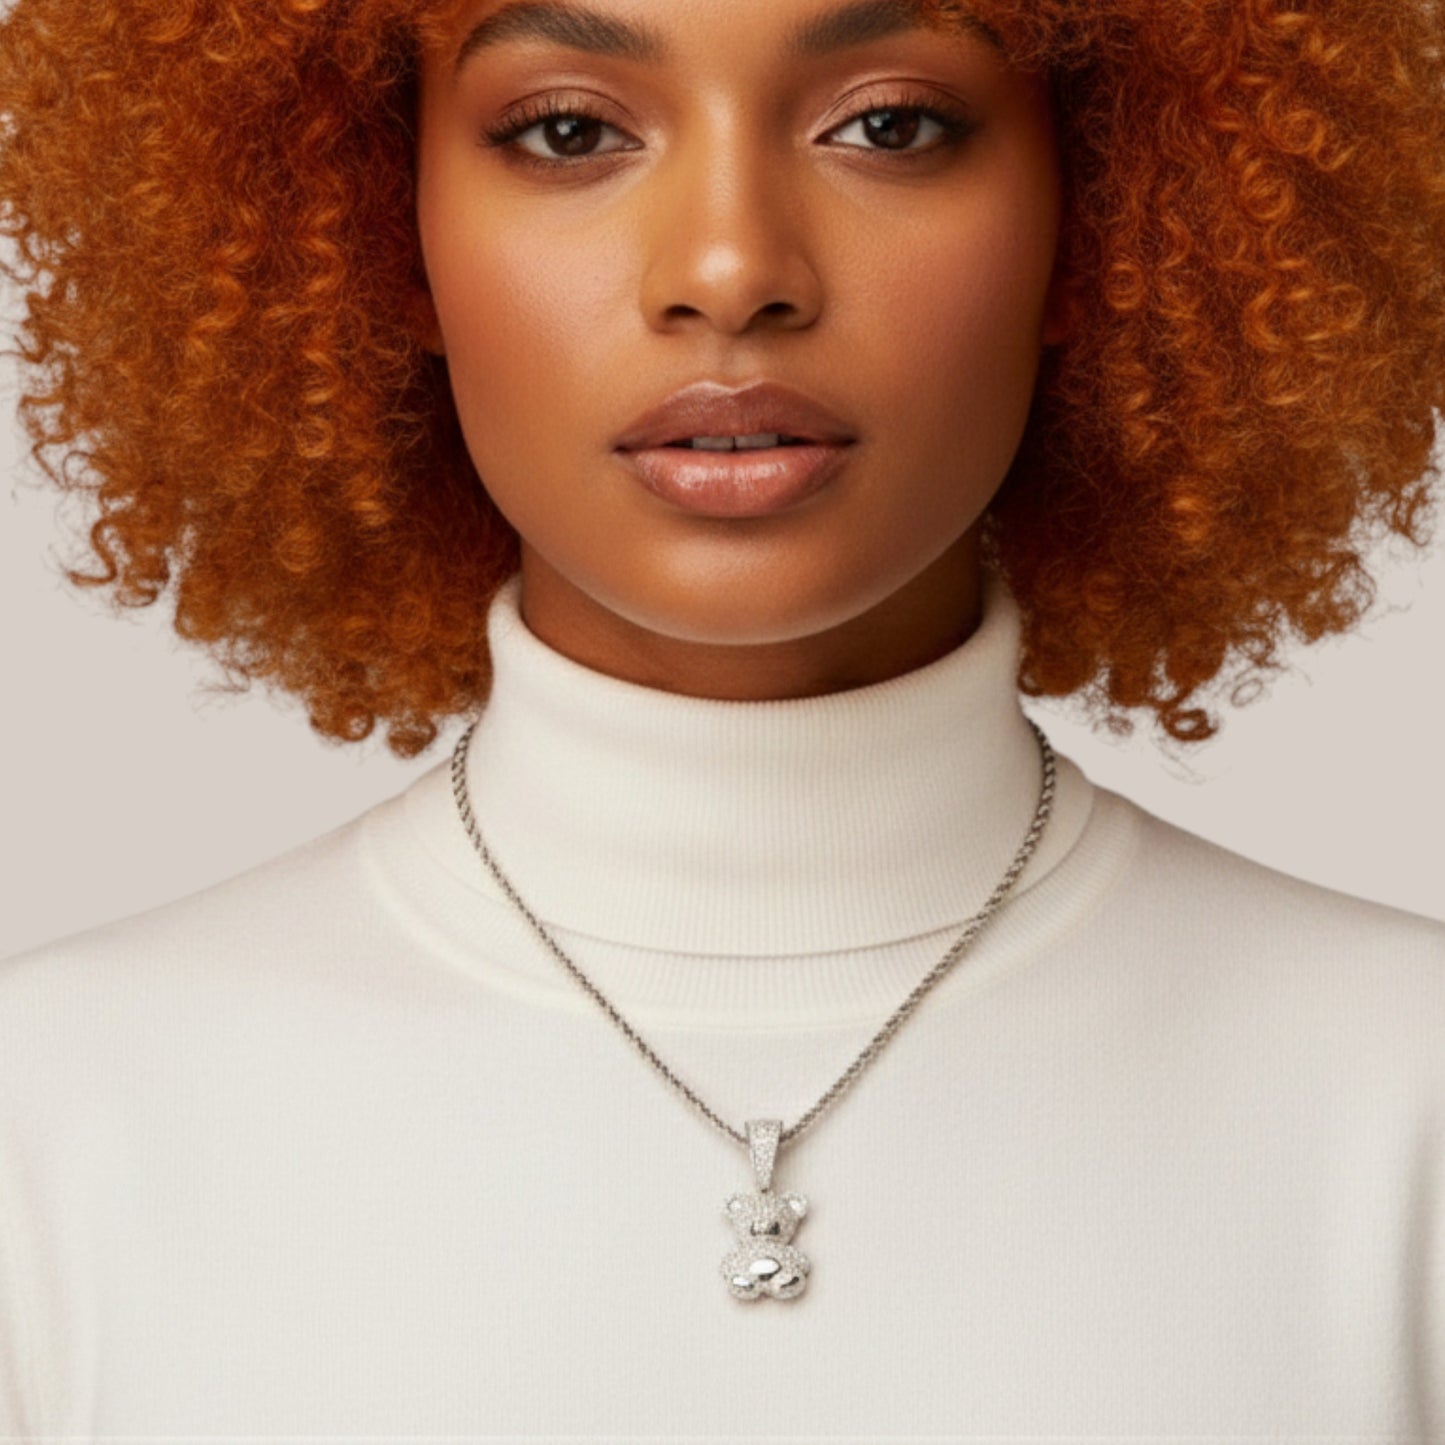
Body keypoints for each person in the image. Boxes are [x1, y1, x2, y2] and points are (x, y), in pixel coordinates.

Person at [0, 0, 1442, 1436]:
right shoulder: (52, 1123)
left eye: (889, 125)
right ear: (391, 231)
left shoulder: (1402, 1099)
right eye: (568, 131)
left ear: (1099, 205)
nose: (729, 270)